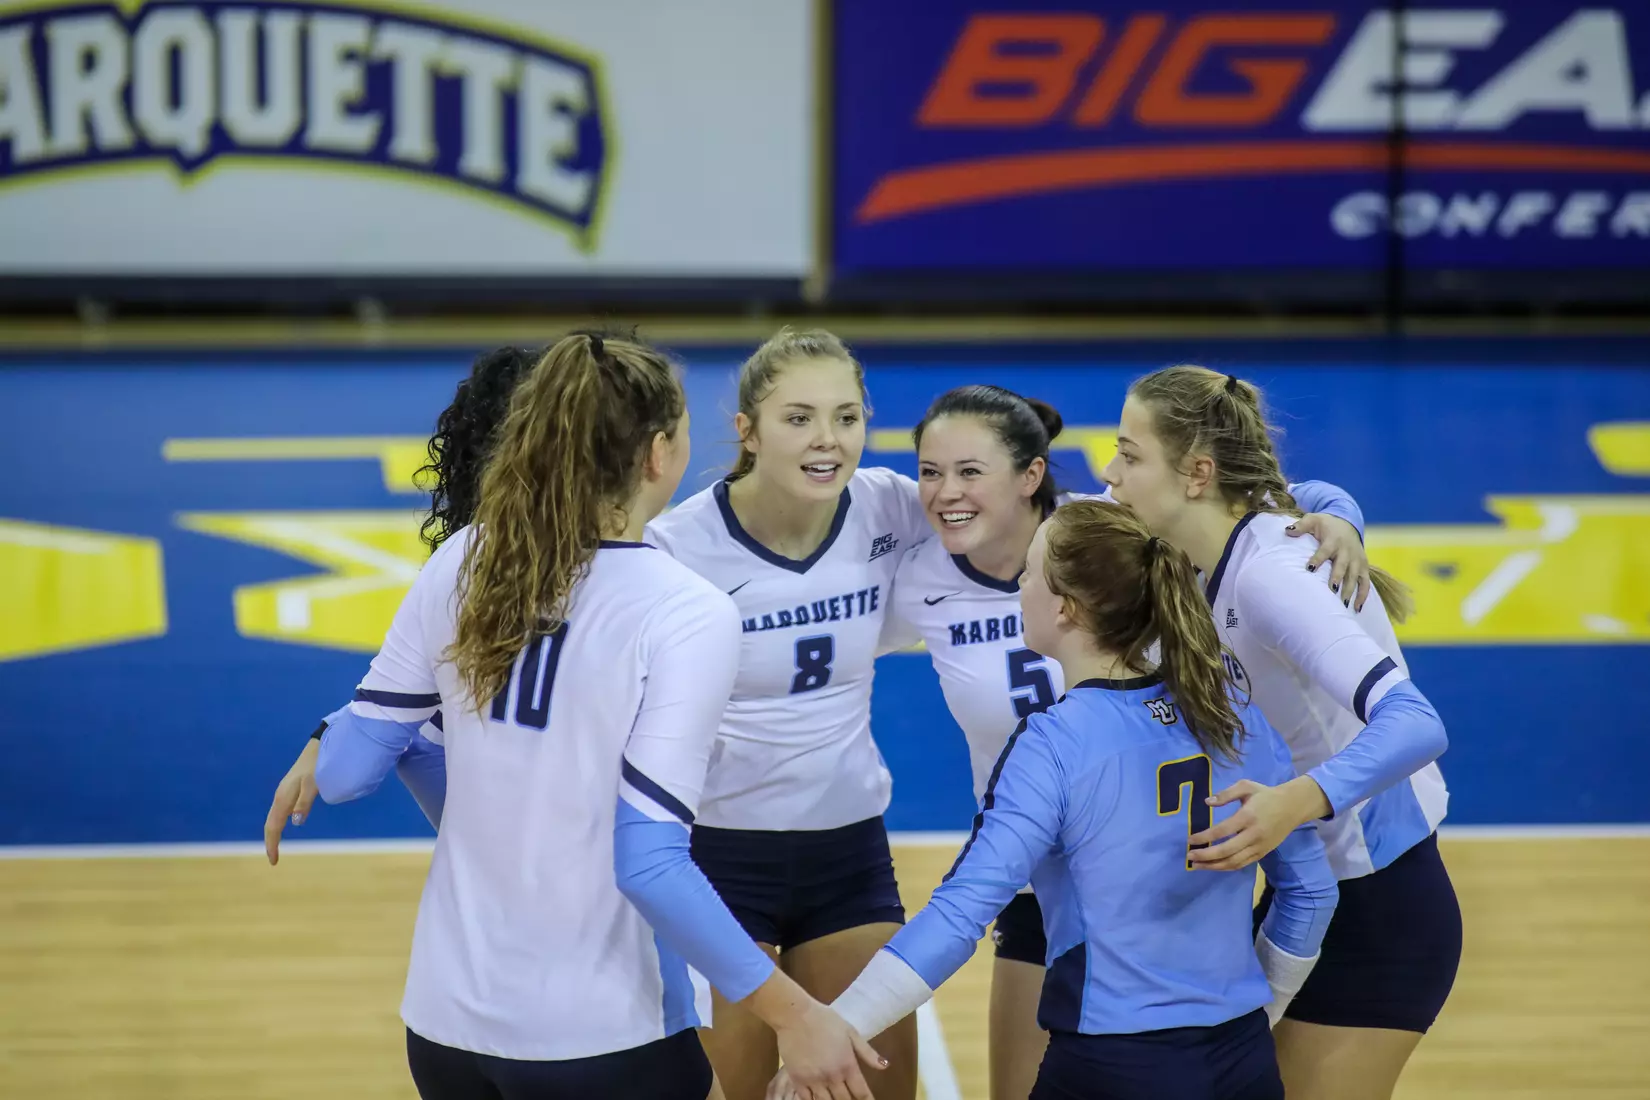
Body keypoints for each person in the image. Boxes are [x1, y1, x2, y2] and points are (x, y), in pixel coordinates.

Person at [313, 333, 885, 1100]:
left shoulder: (466, 557)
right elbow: (648, 862)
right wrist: (794, 1016)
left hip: (447, 1029)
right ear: (658, 454)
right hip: (604, 1035)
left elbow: (347, 772)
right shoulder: (683, 610)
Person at [880, 384, 1372, 1099]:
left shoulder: (1109, 535)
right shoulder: (914, 578)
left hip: (1138, 870)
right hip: (1033, 878)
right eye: (928, 472)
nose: (945, 492)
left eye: (969, 471)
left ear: (1030, 477)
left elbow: (1263, 495)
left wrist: (1341, 519)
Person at [774, 499, 1340, 1100]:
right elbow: (1310, 894)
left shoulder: (1055, 742)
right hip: (1241, 1060)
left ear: (1065, 609)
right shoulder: (1234, 715)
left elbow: (959, 914)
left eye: (1030, 573)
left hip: (1111, 1066)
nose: (1018, 586)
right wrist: (1262, 1013)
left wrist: (839, 1024)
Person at [1102, 365, 1458, 1100]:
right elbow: (1314, 495)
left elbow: (1417, 723)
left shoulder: (1271, 577)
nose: (1110, 473)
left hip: (1382, 913)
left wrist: (1294, 801)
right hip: (1311, 892)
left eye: (1130, 456)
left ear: (1197, 473)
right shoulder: (1217, 542)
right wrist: (1344, 516)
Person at [645, 328, 932, 1100]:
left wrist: (1299, 505)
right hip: (717, 861)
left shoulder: (886, 507)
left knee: (873, 1090)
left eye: (846, 417)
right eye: (798, 417)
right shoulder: (676, 548)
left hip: (849, 855)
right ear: (747, 430)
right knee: (728, 1089)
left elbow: (1032, 510)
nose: (827, 440)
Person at [264, 344, 539, 864]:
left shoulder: (459, 567)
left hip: (489, 913)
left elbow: (348, 772)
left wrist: (337, 729)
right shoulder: (659, 565)